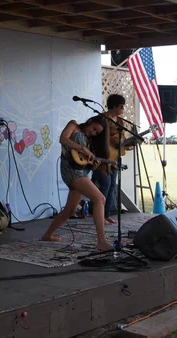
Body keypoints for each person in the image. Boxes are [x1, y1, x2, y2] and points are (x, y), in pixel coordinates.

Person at [41, 115, 114, 251]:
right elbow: (63, 139)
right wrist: (83, 149)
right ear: (90, 121)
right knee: (99, 199)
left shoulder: (89, 140)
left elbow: (83, 163)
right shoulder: (73, 125)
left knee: (70, 210)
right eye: (94, 129)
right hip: (71, 172)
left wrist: (93, 164)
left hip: (82, 173)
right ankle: (101, 241)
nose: (94, 133)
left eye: (97, 133)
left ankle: (48, 234)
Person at [92, 94, 126, 224]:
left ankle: (106, 215)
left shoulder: (120, 121)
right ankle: (98, 215)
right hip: (102, 158)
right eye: (121, 106)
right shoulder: (103, 119)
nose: (123, 109)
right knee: (104, 185)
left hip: (114, 159)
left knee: (112, 186)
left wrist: (128, 142)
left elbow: (121, 139)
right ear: (114, 106)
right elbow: (98, 138)